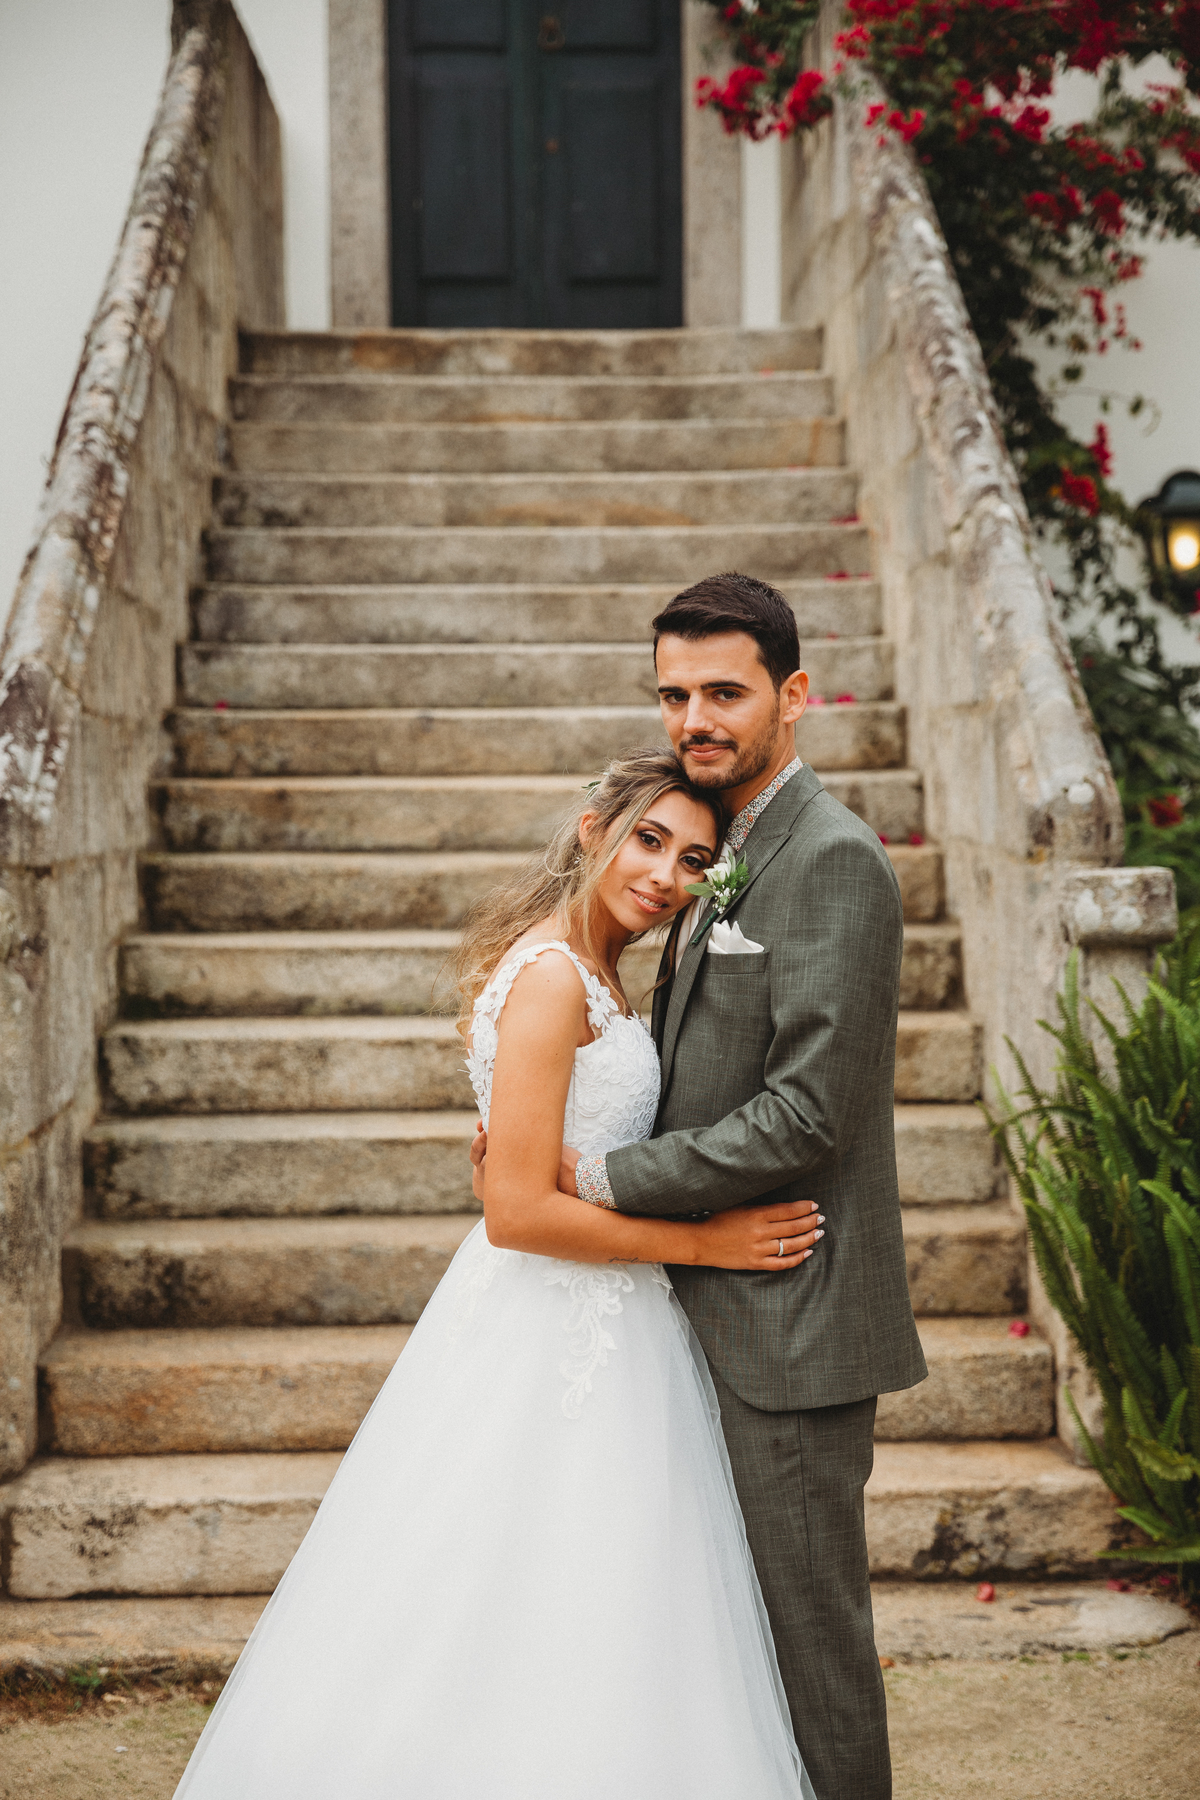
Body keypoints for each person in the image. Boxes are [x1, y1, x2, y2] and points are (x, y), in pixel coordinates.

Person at [174, 746, 823, 1800]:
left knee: (592, 1594)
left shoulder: (598, 971)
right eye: (649, 841)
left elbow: (540, 1161)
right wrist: (709, 1244)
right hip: (555, 1323)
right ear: (593, 832)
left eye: (695, 860)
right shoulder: (555, 979)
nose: (665, 875)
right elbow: (517, 1213)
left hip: (609, 1316)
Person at [544, 572, 928, 1800]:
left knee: (808, 1652)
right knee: (728, 1654)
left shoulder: (832, 860)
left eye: (724, 692)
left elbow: (808, 1113)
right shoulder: (720, 848)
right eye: (673, 695)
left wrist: (606, 1172)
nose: (693, 720)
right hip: (703, 1309)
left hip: (792, 1319)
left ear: (793, 695)